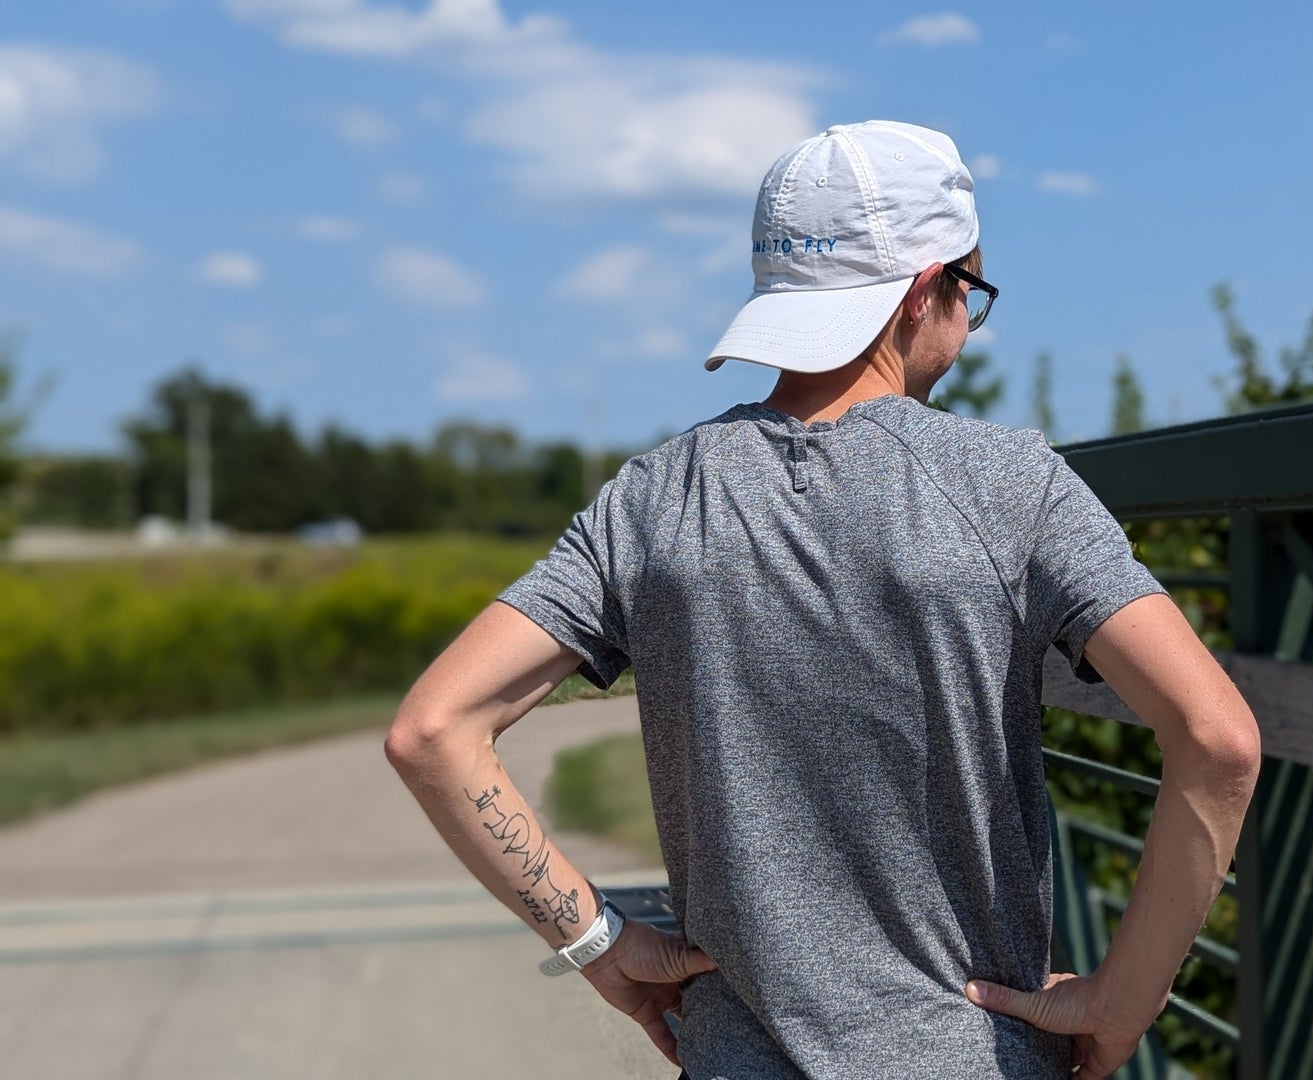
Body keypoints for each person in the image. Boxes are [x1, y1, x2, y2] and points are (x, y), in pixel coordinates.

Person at [385, 120, 1262, 1079]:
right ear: (926, 292)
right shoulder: (1014, 483)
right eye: (972, 293)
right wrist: (1120, 999)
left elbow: (433, 731)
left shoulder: (654, 497)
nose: (968, 323)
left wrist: (601, 943)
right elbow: (1218, 741)